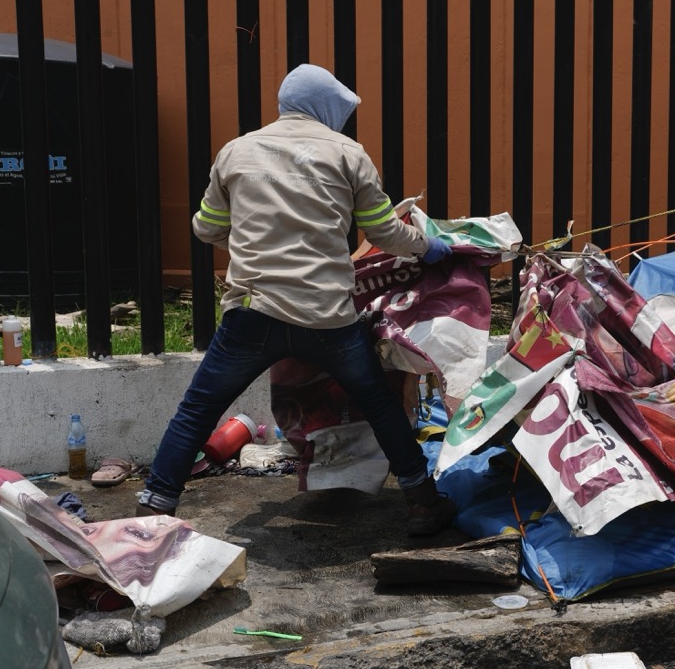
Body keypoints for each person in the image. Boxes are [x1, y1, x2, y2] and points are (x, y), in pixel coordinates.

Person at [137, 63, 454, 536]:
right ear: (326, 108)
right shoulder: (350, 155)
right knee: (379, 402)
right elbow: (384, 233)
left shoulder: (235, 151)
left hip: (253, 314)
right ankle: (422, 502)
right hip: (327, 317)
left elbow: (205, 227)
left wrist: (249, 240)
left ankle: (154, 508)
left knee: (199, 409)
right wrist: (430, 247)